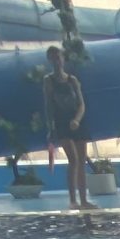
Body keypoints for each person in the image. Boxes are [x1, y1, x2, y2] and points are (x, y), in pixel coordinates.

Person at [42, 45, 89, 210]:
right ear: (49, 60)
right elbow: (49, 105)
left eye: (59, 57)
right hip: (61, 123)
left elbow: (81, 104)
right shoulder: (48, 80)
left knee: (82, 161)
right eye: (53, 58)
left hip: (76, 121)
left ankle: (84, 200)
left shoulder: (72, 80)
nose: (57, 61)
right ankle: (73, 200)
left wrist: (77, 120)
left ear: (63, 59)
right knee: (73, 160)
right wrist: (51, 127)